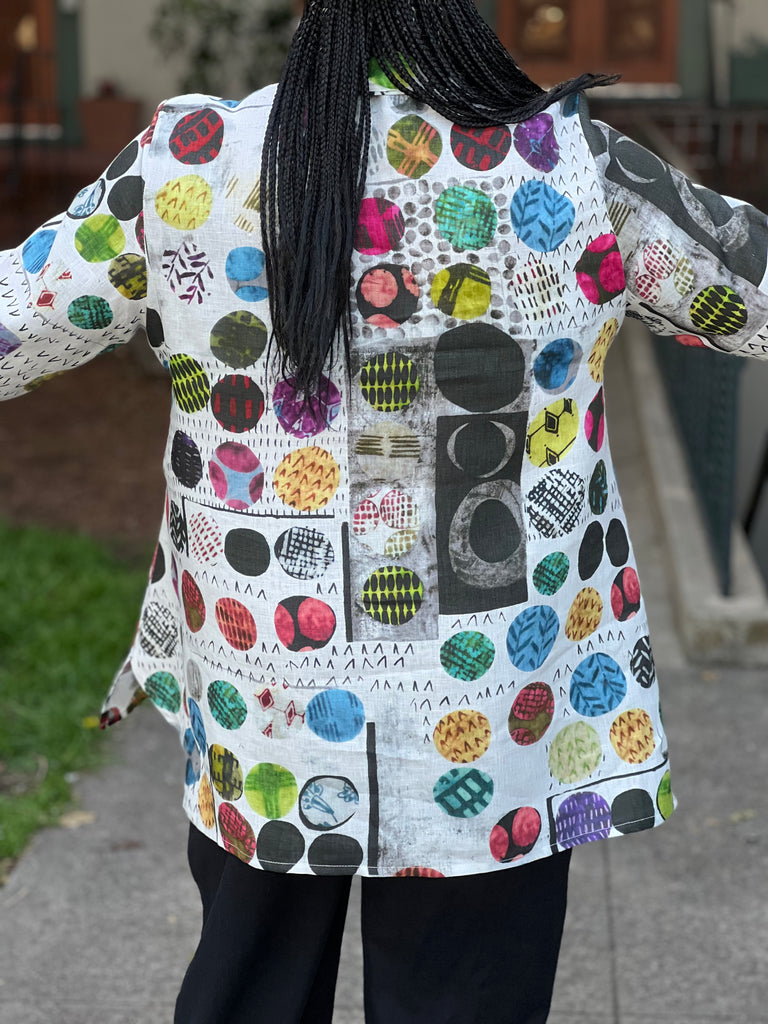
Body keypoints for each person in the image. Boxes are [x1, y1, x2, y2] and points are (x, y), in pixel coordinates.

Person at [2, 1, 768, 1021]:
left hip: (265, 703)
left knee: (248, 990)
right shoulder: (576, 167)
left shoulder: (187, 163)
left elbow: (14, 323)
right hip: (493, 711)